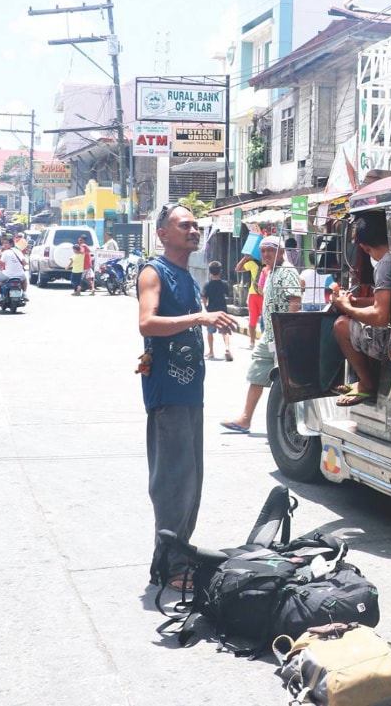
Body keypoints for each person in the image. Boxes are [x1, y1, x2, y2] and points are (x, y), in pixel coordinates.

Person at [136, 204, 240, 589]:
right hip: (167, 391)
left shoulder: (186, 274)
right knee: (173, 480)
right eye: (185, 225)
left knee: (191, 480)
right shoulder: (153, 271)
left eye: (196, 225)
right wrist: (200, 318)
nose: (194, 230)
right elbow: (147, 322)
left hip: (190, 392)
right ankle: (170, 566)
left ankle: (177, 556)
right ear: (163, 233)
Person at [222, 237, 302, 433]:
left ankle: (295, 423)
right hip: (269, 336)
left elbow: (295, 302)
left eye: (270, 250)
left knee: (286, 381)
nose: (266, 254)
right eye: (263, 250)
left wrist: (286, 330)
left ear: (281, 251)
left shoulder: (287, 272)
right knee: (257, 372)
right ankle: (244, 419)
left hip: (282, 335)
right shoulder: (271, 271)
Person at [330, 217, 391, 407]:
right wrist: (355, 301)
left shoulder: (384, 265)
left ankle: (367, 384)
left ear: (365, 247)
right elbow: (386, 301)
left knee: (341, 326)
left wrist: (346, 308)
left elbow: (380, 316)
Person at [201, 260, 234, 362]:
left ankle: (211, 352)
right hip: (223, 311)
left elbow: (204, 298)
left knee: (210, 332)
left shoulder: (207, 285)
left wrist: (205, 306)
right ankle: (227, 348)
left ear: (210, 272)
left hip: (211, 312)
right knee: (225, 331)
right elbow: (228, 295)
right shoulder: (224, 284)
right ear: (220, 271)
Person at [0, 234, 27, 299]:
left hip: (8, 275)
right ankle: (24, 294)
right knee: (25, 279)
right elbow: (25, 262)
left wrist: (0, 268)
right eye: (3, 243)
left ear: (11, 244)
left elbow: (1, 265)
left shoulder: (5, 252)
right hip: (20, 275)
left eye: (6, 243)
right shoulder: (18, 251)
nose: (4, 245)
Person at [239, 252, 262, 348]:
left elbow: (238, 269)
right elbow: (238, 269)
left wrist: (245, 259)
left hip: (259, 294)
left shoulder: (254, 264)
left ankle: (256, 341)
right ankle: (254, 341)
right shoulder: (255, 264)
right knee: (256, 320)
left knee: (258, 319)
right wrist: (246, 259)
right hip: (259, 294)